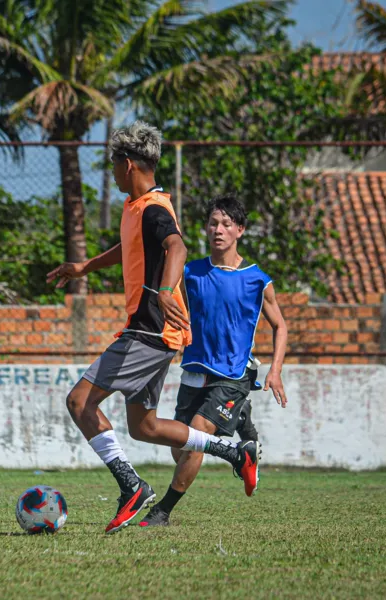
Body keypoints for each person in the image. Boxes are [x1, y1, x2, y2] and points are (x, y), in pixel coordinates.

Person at [47, 123, 260, 534]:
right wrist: (85, 266)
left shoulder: (154, 208)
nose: (110, 173)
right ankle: (234, 453)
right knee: (144, 427)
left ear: (126, 164)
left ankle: (131, 486)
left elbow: (176, 246)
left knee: (80, 402)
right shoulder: (137, 207)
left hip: (148, 330)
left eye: (112, 166)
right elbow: (128, 249)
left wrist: (164, 290)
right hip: (152, 332)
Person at [139, 194, 288, 528]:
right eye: (213, 223)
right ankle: (242, 423)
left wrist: (275, 371)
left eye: (226, 224)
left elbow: (280, 326)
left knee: (195, 439)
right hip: (194, 370)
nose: (218, 230)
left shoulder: (257, 279)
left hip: (233, 374)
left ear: (240, 230)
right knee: (180, 450)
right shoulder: (190, 273)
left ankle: (162, 512)